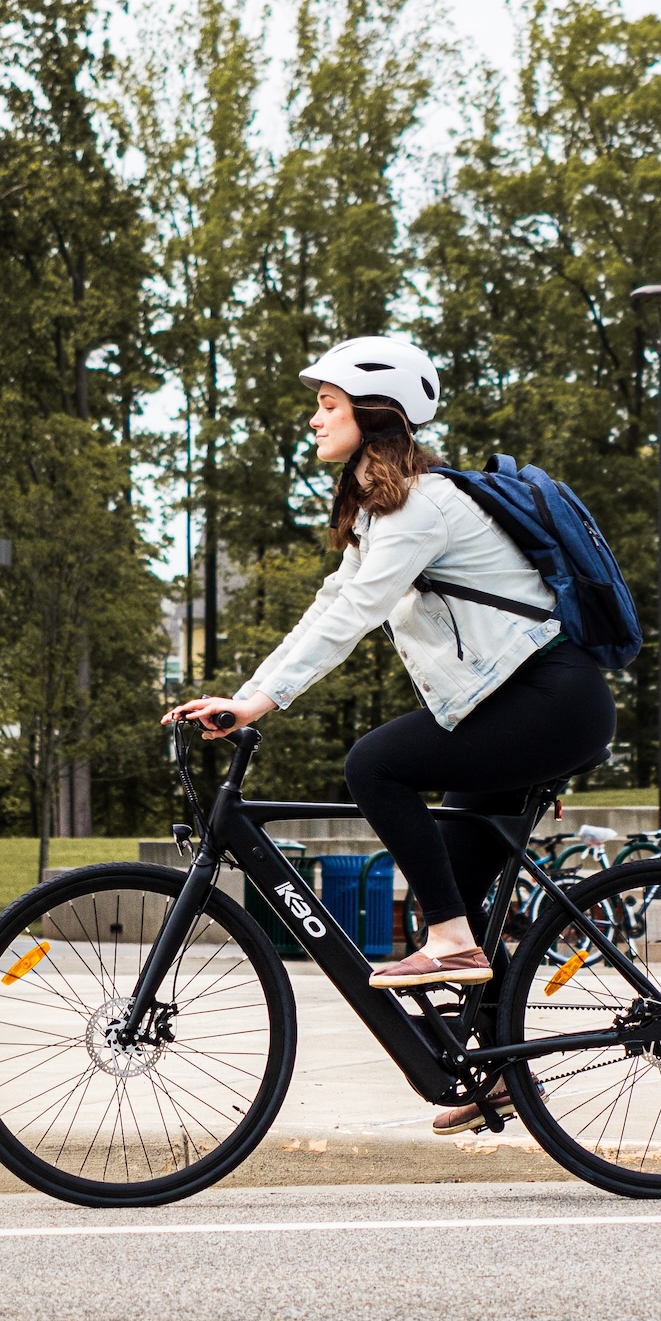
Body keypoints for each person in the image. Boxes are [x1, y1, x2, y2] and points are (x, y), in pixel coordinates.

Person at [164, 334, 617, 1134]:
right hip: (509, 707)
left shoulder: (424, 506)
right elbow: (328, 604)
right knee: (450, 903)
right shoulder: (389, 512)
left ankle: (456, 949)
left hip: (552, 701)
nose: (313, 420)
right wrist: (245, 694)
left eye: (327, 405)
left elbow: (352, 616)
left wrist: (258, 704)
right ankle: (498, 1072)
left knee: (374, 765)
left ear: (376, 416)